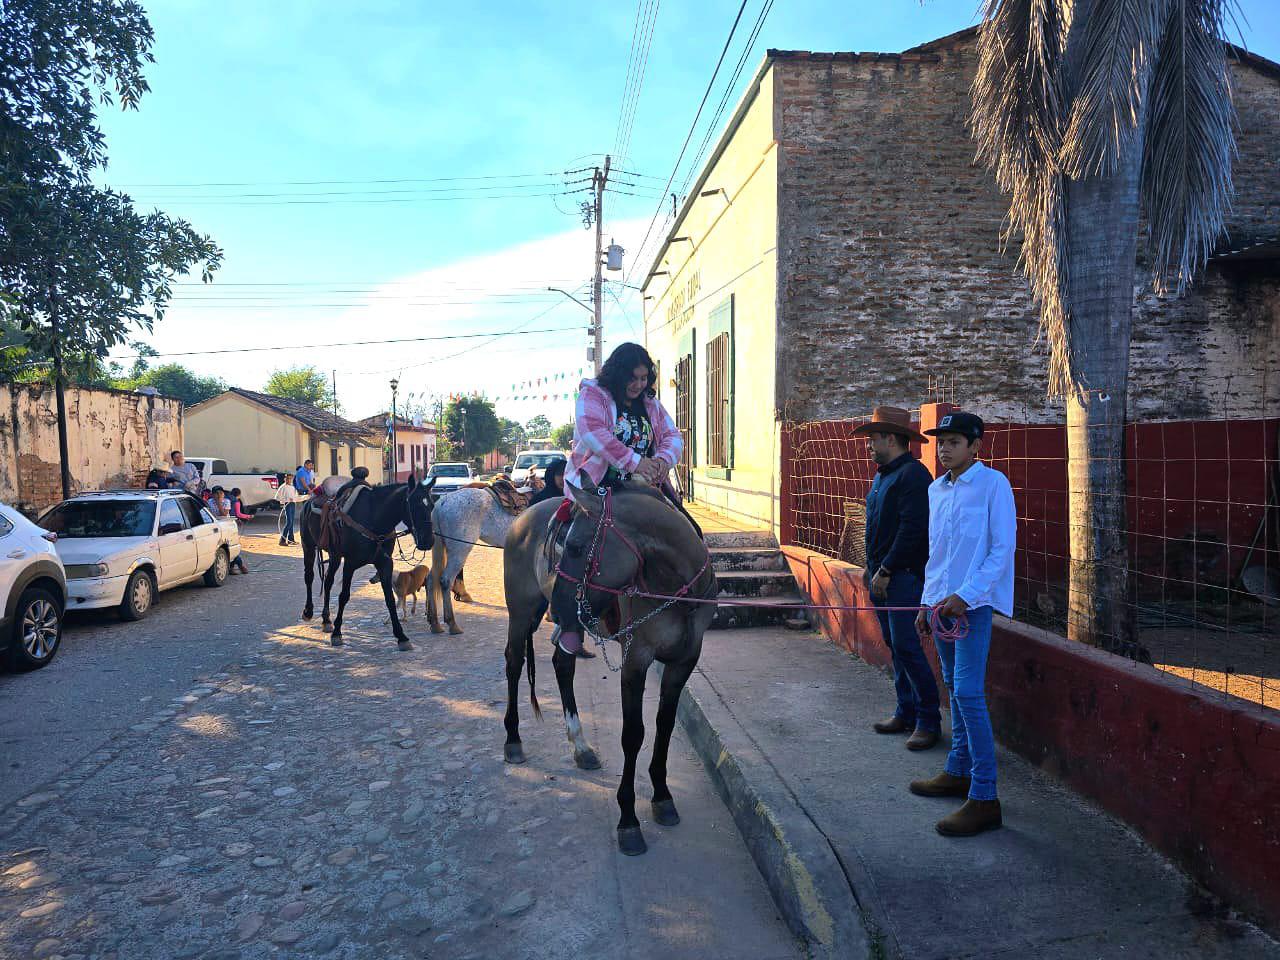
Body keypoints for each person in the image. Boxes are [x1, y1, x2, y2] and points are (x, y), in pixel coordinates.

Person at [911, 411, 1016, 837]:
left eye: (955, 441)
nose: (945, 448)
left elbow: (1001, 549)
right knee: (953, 687)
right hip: (940, 607)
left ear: (975, 446)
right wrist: (925, 603)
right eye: (941, 441)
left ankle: (986, 796)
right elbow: (937, 555)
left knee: (969, 692)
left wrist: (965, 596)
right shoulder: (937, 489)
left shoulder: (994, 485)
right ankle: (957, 769)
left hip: (971, 608)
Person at [552, 343, 683, 657]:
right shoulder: (593, 396)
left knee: (686, 531)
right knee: (581, 547)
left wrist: (662, 461)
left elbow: (672, 436)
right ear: (619, 374)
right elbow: (593, 432)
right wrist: (635, 461)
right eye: (633, 378)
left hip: (643, 486)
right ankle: (569, 622)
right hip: (599, 485)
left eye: (644, 378)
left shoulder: (650, 403)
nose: (639, 385)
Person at [854, 406, 940, 751]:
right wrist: (870, 566)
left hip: (901, 578)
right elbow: (877, 526)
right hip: (881, 575)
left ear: (891, 438)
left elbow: (912, 531)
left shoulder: (914, 476)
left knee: (907, 647)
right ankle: (905, 711)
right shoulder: (882, 475)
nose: (869, 446)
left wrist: (886, 570)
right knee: (895, 646)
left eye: (874, 438)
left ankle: (928, 720)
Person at [209, 487, 249, 574]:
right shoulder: (210, 502)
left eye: (221, 493)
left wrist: (219, 502)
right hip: (214, 526)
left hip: (225, 526)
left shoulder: (226, 501)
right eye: (217, 494)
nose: (219, 495)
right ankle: (235, 566)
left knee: (230, 547)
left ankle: (238, 565)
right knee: (221, 548)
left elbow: (223, 514)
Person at [275, 472, 301, 545]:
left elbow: (296, 497)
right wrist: (286, 499)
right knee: (289, 522)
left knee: (291, 522)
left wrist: (305, 497)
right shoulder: (283, 487)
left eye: (290, 478)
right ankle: (282, 540)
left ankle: (291, 540)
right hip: (287, 505)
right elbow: (277, 497)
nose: (289, 480)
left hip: (293, 504)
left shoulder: (293, 487)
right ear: (285, 479)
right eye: (287, 478)